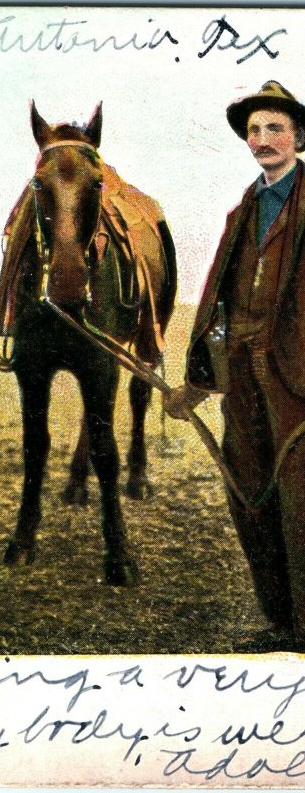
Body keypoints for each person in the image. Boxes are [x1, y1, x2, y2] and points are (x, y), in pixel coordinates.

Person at [165, 80, 305, 652]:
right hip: (240, 374)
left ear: (299, 136)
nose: (262, 139)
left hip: (296, 377)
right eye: (254, 130)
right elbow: (218, 300)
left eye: (274, 128)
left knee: (301, 501)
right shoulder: (242, 211)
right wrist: (198, 383)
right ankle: (279, 623)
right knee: (248, 494)